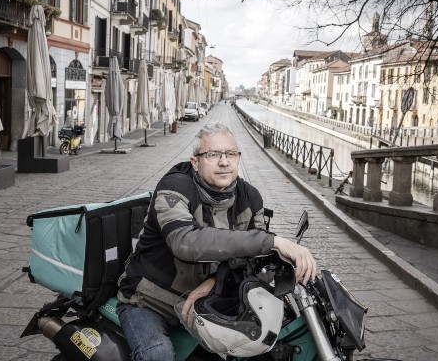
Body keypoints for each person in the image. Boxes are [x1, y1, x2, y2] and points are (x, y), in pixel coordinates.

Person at [117, 122, 317, 360]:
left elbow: (252, 260)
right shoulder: (174, 188)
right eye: (213, 154)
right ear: (195, 162)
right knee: (157, 354)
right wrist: (272, 241)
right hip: (148, 299)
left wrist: (213, 281)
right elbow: (186, 241)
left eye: (231, 154)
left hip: (202, 302)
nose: (224, 162)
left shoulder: (249, 197)